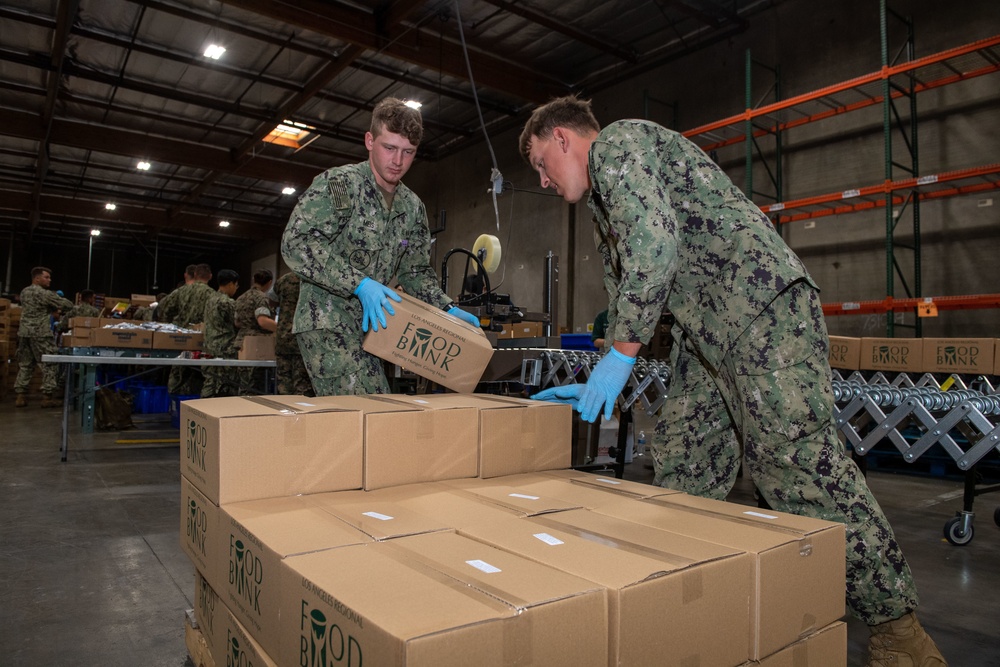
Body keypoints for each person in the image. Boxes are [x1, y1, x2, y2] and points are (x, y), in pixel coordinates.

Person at [521, 96, 945, 666]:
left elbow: (657, 245)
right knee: (684, 461)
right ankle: (689, 603)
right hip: (710, 337)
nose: (544, 181)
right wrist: (605, 366)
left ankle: (899, 632)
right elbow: (638, 290)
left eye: (541, 163)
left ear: (563, 138)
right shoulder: (604, 201)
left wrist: (621, 358)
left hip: (762, 314)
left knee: (798, 469)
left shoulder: (618, 145)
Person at [280, 97, 480, 396]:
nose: (398, 161)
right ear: (370, 141)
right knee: (371, 412)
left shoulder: (412, 207)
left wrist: (446, 308)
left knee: (369, 418)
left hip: (376, 328)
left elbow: (415, 271)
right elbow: (296, 243)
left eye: (408, 152)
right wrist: (359, 283)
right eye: (390, 148)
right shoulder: (340, 185)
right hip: (327, 322)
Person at [14, 267, 75, 408]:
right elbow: (68, 305)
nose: (50, 280)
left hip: (24, 333)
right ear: (37, 278)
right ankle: (47, 397)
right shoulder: (44, 294)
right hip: (40, 333)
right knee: (51, 362)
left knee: (25, 364)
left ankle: (20, 396)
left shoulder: (24, 292)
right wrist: (54, 302)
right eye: (46, 277)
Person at [159, 263, 214, 395]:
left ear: (194, 275)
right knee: (201, 375)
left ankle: (173, 404)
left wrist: (172, 325)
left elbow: (163, 309)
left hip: (180, 339)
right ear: (210, 276)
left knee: (177, 373)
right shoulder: (212, 295)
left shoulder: (181, 291)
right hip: (202, 341)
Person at [270, 272, 313, 396]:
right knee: (302, 385)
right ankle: (301, 413)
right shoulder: (312, 279)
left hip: (283, 336)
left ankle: (286, 412)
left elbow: (271, 300)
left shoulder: (283, 279)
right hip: (303, 338)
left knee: (284, 384)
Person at [234, 269, 276, 394]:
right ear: (269, 282)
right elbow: (263, 321)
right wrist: (283, 328)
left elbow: (237, 322)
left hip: (241, 343)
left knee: (243, 384)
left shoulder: (241, 298)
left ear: (254, 280)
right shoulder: (262, 298)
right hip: (256, 346)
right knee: (255, 387)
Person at [201, 270, 240, 398]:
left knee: (210, 382)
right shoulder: (227, 302)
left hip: (209, 347)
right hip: (225, 349)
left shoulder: (210, 299)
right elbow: (238, 323)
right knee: (226, 387)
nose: (236, 288)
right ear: (230, 284)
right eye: (236, 285)